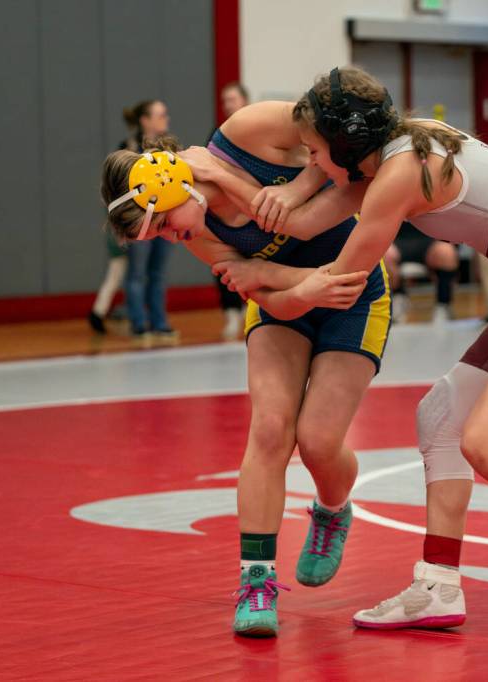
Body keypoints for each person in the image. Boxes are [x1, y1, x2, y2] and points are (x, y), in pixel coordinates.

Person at [249, 66, 488, 644]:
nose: (309, 162)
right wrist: (263, 187)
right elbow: (307, 211)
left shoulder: (401, 172)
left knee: (486, 440)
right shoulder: (396, 148)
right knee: (439, 417)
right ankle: (437, 585)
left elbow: (343, 278)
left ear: (346, 143)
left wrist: (256, 275)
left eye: (314, 150)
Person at [102, 101, 391, 638]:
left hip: (353, 291)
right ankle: (256, 578)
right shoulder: (197, 232)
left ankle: (332, 509)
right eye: (157, 236)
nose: (171, 238)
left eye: (164, 225)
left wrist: (298, 188)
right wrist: (293, 284)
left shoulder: (245, 133)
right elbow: (273, 300)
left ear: (178, 188)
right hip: (286, 302)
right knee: (270, 429)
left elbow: (336, 134)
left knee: (319, 442)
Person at [119, 100, 176, 339]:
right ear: (145, 120)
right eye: (160, 115)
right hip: (140, 221)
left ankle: (159, 321)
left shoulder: (168, 147)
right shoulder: (129, 147)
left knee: (158, 273)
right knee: (137, 272)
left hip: (164, 220)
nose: (166, 119)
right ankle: (138, 322)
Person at [207, 82, 252, 340]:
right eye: (225, 100)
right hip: (229, 211)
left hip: (254, 208)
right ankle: (231, 314)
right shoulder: (218, 134)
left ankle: (253, 308)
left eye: (232, 99)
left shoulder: (257, 127)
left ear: (245, 100)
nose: (228, 105)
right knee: (225, 262)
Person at [383, 223, 459, 323]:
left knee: (446, 252)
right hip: (397, 240)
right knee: (385, 255)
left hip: (428, 240)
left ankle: (443, 304)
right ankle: (398, 297)